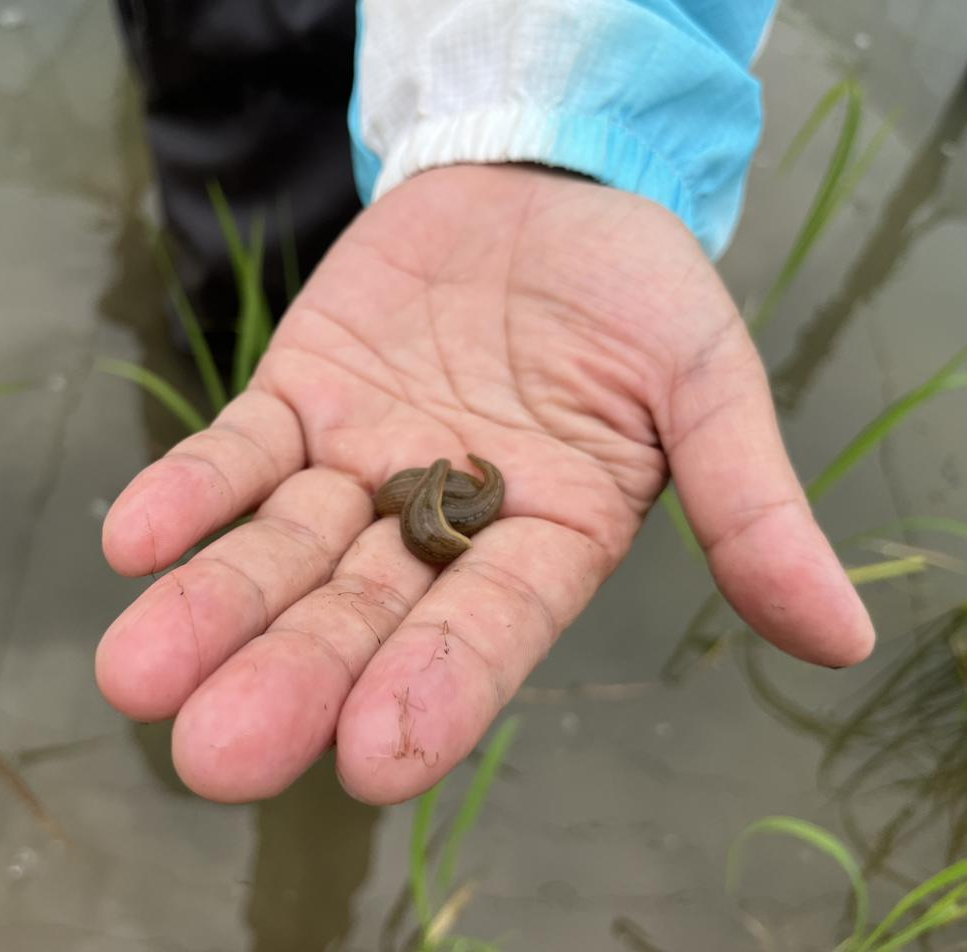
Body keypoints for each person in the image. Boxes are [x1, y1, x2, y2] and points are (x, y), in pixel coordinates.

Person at [96, 0, 876, 806]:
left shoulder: (442, 503)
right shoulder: (428, 500)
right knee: (239, 205)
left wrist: (540, 125)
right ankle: (222, 357)